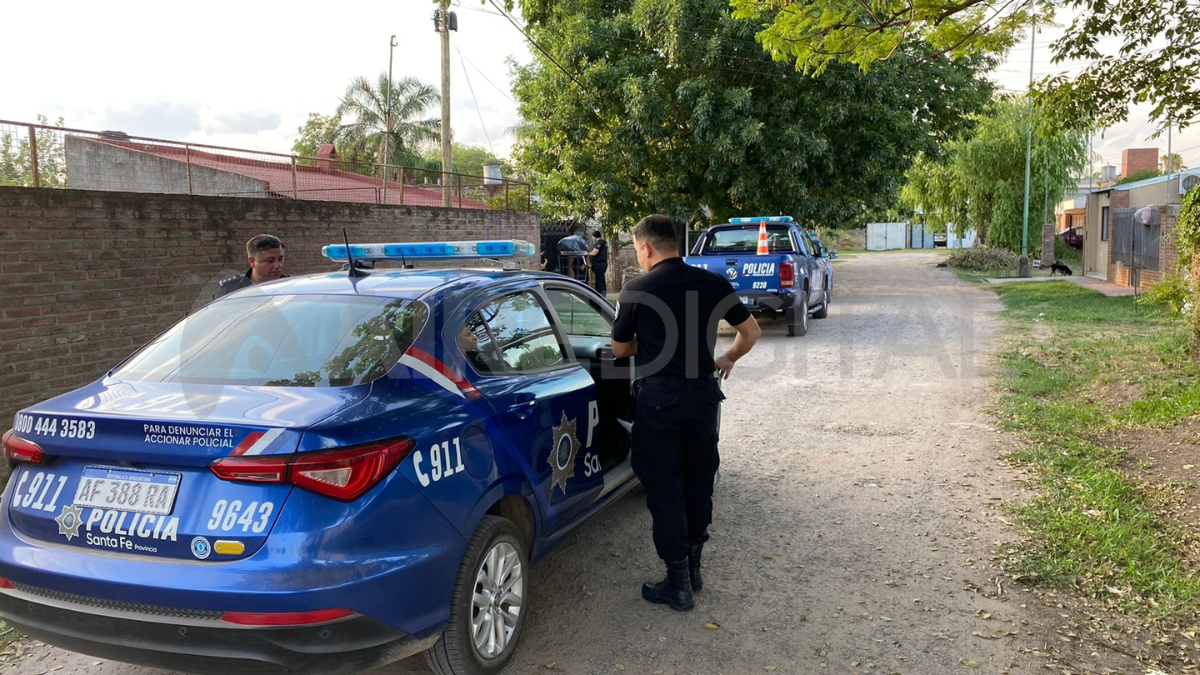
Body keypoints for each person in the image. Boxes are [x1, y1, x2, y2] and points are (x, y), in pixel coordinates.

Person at [611, 214, 761, 612]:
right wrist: (726, 357)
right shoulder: (712, 282)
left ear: (645, 248)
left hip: (660, 403)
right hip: (703, 400)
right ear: (674, 242)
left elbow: (620, 351)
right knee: (698, 483)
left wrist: (656, 343)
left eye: (638, 250)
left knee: (665, 490)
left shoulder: (637, 289)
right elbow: (752, 332)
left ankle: (677, 584)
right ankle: (694, 570)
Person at [213, 234, 289, 300]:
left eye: (280, 259)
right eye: (270, 260)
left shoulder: (290, 286)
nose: (277, 265)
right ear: (252, 261)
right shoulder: (230, 290)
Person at [588, 229, 608, 297]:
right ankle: (601, 294)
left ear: (594, 236)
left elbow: (594, 253)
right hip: (602, 264)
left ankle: (601, 295)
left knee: (600, 281)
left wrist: (587, 254)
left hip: (599, 264)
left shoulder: (600, 243)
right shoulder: (604, 243)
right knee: (600, 280)